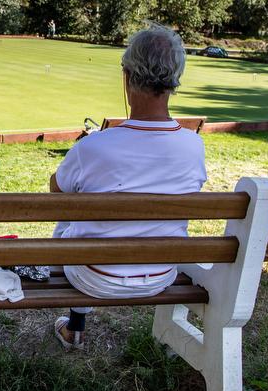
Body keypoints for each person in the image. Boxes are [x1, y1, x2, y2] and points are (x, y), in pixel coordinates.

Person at [49, 24, 206, 350]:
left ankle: (75, 325)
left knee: (70, 210)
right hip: (162, 273)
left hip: (95, 277)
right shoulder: (194, 146)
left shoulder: (94, 147)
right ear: (175, 79)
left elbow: (56, 189)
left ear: (127, 75)